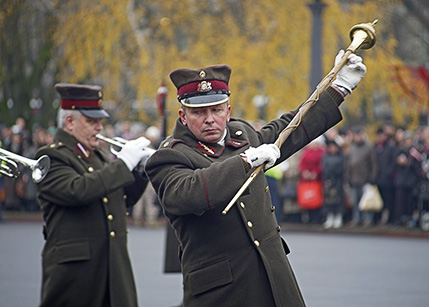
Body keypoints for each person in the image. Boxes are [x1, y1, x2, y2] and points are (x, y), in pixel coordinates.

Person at [144, 50, 367, 307]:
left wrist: (339, 88)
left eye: (216, 110)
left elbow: (291, 128)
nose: (209, 119)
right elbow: (188, 194)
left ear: (228, 111)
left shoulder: (243, 135)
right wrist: (245, 161)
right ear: (183, 116)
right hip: (221, 292)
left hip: (272, 277)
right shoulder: (170, 155)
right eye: (198, 113)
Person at [34, 83, 151, 307]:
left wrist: (140, 170)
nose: (99, 127)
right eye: (91, 121)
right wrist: (124, 164)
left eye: (100, 121)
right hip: (75, 276)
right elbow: (78, 190)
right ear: (69, 122)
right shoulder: (51, 157)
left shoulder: (99, 157)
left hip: (112, 269)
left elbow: (121, 200)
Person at [345, 125, 378, 227]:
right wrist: (348, 177)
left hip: (366, 178)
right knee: (356, 201)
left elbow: (374, 164)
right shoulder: (352, 147)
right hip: (354, 178)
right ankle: (356, 219)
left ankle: (367, 220)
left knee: (366, 202)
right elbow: (348, 164)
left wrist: (372, 177)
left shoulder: (369, 147)